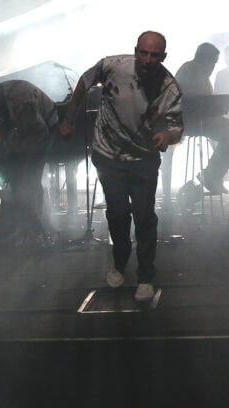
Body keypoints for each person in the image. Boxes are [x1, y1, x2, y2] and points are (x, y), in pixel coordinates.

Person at [58, 31, 182, 302]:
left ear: (163, 57)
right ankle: (119, 261)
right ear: (136, 50)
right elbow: (84, 82)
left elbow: (177, 128)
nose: (147, 60)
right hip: (108, 155)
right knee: (117, 212)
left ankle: (146, 276)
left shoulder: (168, 86)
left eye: (154, 55)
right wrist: (69, 117)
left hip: (143, 159)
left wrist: (166, 136)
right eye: (143, 53)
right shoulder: (113, 65)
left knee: (144, 216)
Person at [0, 77, 63, 246]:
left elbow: (39, 135)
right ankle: (21, 225)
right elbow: (2, 134)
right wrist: (5, 161)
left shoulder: (20, 101)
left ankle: (35, 229)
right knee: (17, 178)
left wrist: (20, 161)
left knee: (30, 178)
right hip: (25, 129)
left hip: (47, 126)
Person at [166, 42, 229, 208]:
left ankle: (211, 174)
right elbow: (191, 102)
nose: (213, 67)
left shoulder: (195, 70)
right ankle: (211, 175)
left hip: (200, 120)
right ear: (206, 60)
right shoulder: (191, 72)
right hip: (192, 122)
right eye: (213, 63)